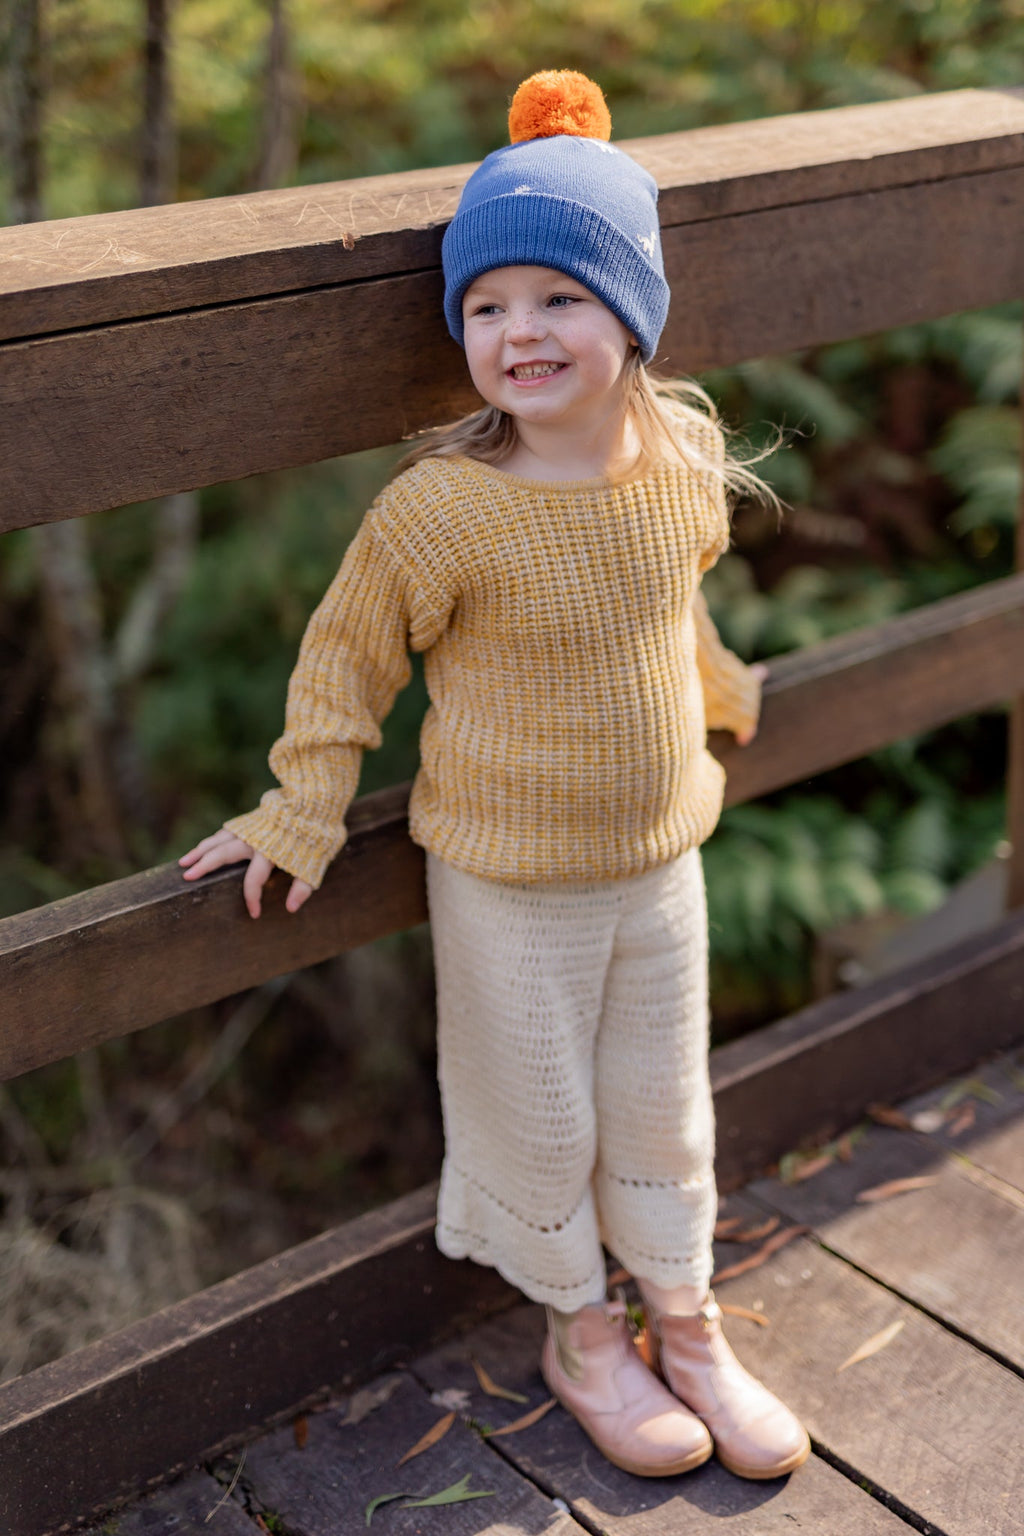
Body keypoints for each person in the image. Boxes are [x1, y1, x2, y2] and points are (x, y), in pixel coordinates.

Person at [180, 70, 809, 1483]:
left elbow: (675, 608)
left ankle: (688, 1319)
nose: (520, 331)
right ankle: (582, 1335)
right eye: (487, 306)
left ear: (632, 314)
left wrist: (718, 690)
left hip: (660, 857)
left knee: (663, 1100)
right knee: (540, 1109)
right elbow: (343, 663)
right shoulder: (443, 513)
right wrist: (300, 808)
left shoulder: (682, 464)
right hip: (508, 879)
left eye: (560, 297)